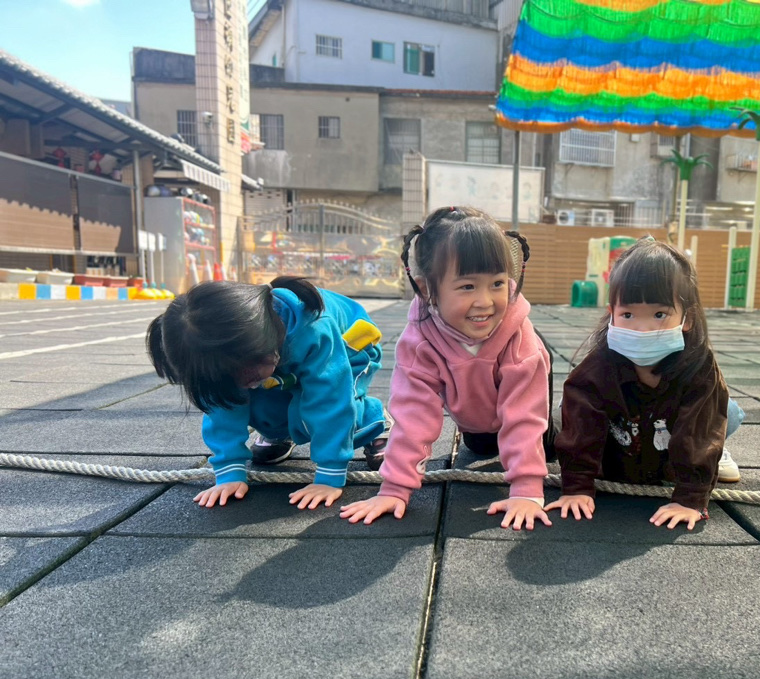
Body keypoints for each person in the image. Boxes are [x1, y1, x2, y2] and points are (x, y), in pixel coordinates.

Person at [340, 205, 553, 531]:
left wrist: (526, 489)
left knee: (552, 443)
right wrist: (395, 488)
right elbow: (413, 414)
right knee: (481, 447)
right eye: (468, 286)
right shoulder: (420, 341)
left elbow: (524, 414)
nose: (485, 301)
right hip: (477, 416)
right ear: (428, 289)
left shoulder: (519, 338)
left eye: (497, 283)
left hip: (528, 397)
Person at [545, 238, 744, 530]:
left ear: (687, 318)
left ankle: (716, 454)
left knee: (726, 412)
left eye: (659, 315)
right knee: (566, 413)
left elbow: (698, 431)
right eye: (627, 315)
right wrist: (577, 487)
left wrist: (690, 498)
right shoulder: (599, 366)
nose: (642, 328)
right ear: (612, 313)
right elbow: (581, 431)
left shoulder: (697, 366)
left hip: (668, 438)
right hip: (623, 440)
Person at [146, 276, 387, 511]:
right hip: (278, 353)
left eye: (249, 375)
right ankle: (279, 434)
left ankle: (371, 418)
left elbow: (330, 400)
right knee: (253, 398)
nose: (246, 384)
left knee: (311, 410)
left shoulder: (311, 328)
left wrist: (329, 476)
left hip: (351, 346)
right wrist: (229, 471)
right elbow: (224, 407)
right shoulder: (223, 356)